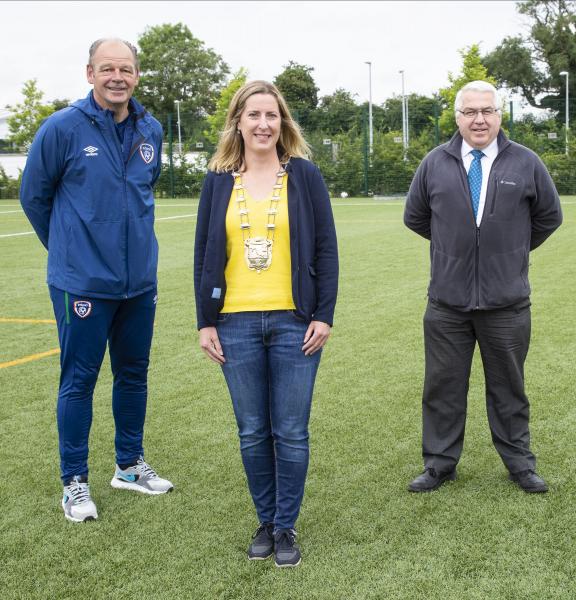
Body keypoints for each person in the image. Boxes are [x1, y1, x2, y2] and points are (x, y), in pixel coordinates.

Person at [19, 38, 173, 523]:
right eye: (107, 68)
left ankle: (128, 466)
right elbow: (33, 198)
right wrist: (70, 252)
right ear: (90, 73)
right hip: (81, 284)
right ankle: (74, 482)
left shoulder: (152, 128)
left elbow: (143, 191)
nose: (117, 77)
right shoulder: (62, 127)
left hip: (138, 284)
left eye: (125, 69)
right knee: (79, 380)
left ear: (137, 75)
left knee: (134, 374)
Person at [194, 80, 338, 567]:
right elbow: (204, 256)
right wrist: (205, 322)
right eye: (253, 115)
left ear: (283, 123)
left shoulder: (305, 176)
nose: (262, 124)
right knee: (253, 430)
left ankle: (285, 526)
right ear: (238, 121)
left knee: (291, 431)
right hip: (233, 322)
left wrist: (323, 315)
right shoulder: (217, 179)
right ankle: (265, 519)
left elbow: (326, 250)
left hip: (294, 322)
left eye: (271, 116)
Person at [403, 81, 563, 494]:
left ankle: (519, 464)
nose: (479, 119)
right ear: (456, 117)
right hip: (447, 303)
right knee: (442, 386)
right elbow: (416, 217)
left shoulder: (526, 163)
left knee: (509, 388)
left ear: (500, 115)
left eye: (487, 111)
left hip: (507, 303)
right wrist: (455, 250)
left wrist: (507, 252)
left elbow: (549, 216)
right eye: (470, 111)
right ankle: (439, 464)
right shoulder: (434, 163)